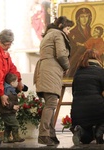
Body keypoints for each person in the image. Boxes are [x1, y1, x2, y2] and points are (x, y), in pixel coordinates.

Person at [33, 16, 74, 146]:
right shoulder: (57, 34)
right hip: (51, 71)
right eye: (68, 28)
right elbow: (61, 54)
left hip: (44, 70)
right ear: (61, 26)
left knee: (50, 103)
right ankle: (44, 134)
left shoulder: (49, 34)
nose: (69, 31)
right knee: (51, 103)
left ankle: (50, 133)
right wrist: (67, 67)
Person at [71, 49, 104, 145]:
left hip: (77, 111)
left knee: (86, 140)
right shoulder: (100, 71)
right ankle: (99, 133)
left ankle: (79, 130)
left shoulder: (77, 72)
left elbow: (74, 92)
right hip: (96, 108)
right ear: (97, 59)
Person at [0, 73, 28, 143]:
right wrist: (13, 106)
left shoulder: (10, 89)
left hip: (9, 112)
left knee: (8, 126)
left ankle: (6, 138)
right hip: (7, 112)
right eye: (16, 81)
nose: (18, 83)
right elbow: (6, 102)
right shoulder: (8, 90)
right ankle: (16, 137)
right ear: (12, 83)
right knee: (15, 124)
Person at [67, 7, 92, 77]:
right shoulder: (72, 32)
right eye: (82, 17)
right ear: (78, 18)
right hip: (77, 62)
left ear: (89, 18)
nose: (84, 19)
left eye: (86, 16)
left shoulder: (93, 31)